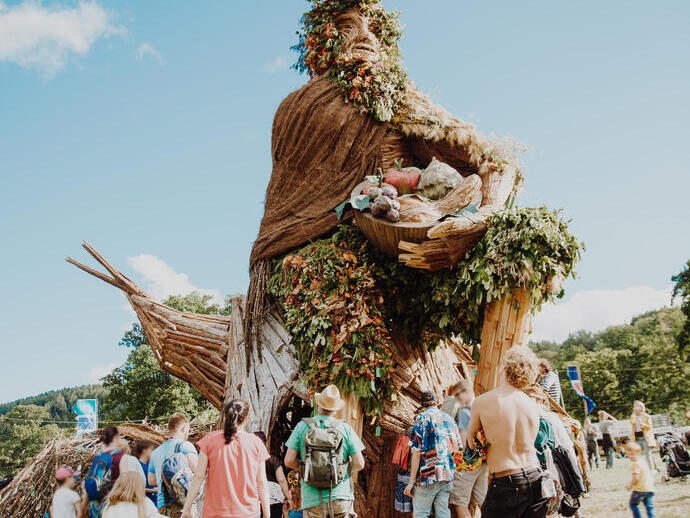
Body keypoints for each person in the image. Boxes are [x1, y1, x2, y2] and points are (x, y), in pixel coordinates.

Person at [467, 347, 547, 518]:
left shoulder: (482, 402)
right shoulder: (531, 405)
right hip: (535, 476)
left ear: (503, 367)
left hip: (506, 480)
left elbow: (472, 443)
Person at [285, 385, 365, 518]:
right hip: (340, 496)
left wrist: (308, 470)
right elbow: (359, 463)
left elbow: (289, 461)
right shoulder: (346, 429)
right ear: (336, 409)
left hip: (312, 499)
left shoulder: (302, 427)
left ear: (318, 405)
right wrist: (339, 472)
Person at [182, 399, 270, 518]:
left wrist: (186, 508)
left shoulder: (209, 440)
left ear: (225, 416)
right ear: (245, 418)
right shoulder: (256, 443)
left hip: (216, 512)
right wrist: (267, 514)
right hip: (248, 512)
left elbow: (198, 476)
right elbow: (262, 483)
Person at [403, 391, 460, 518]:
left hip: (428, 476)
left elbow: (416, 452)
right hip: (446, 475)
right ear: (437, 403)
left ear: (422, 404)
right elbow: (457, 448)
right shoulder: (450, 419)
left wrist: (411, 482)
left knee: (421, 513)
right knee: (443, 513)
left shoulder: (422, 418)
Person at [449, 382, 487, 518]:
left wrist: (454, 455)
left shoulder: (465, 411)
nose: (457, 399)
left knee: (460, 503)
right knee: (479, 503)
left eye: (457, 395)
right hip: (483, 461)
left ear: (464, 392)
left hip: (467, 463)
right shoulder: (484, 408)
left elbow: (463, 439)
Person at [148, 413, 198, 517]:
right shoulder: (185, 446)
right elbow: (198, 471)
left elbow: (151, 480)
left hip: (162, 505)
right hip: (183, 505)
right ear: (184, 428)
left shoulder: (156, 452)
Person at [254, 431, 290, 518]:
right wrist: (288, 497)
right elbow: (281, 480)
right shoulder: (273, 460)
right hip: (274, 500)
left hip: (255, 499)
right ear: (265, 443)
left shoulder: (248, 460)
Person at [625, 441, 656, 518]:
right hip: (650, 489)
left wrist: (630, 486)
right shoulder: (643, 462)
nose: (630, 456)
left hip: (640, 490)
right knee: (650, 508)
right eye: (628, 454)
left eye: (632, 454)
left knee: (633, 504)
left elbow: (636, 478)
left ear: (639, 453)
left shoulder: (635, 464)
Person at [630, 401, 656, 472]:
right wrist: (634, 414)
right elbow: (632, 422)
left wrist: (643, 424)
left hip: (645, 438)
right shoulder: (633, 416)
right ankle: (640, 471)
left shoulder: (646, 416)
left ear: (641, 407)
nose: (635, 407)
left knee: (648, 455)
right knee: (637, 456)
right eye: (635, 406)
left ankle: (652, 470)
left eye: (637, 406)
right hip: (636, 439)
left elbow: (650, 427)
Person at [134, 440, 158, 506]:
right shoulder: (137, 465)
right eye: (151, 450)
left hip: (154, 503)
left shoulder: (150, 466)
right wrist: (152, 491)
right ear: (144, 450)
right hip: (143, 504)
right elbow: (134, 488)